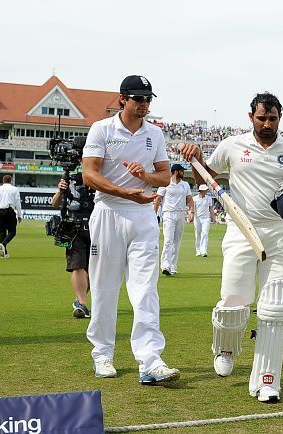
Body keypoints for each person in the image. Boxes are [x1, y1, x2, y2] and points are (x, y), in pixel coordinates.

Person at [180, 92, 283, 403]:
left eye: (272, 119)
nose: (266, 123)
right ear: (251, 117)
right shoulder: (233, 145)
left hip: (277, 232)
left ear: (280, 118)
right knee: (234, 303)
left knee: (275, 307)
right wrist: (194, 157)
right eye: (261, 118)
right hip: (240, 230)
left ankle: (267, 380)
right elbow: (204, 177)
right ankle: (225, 349)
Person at [81, 75, 179, 384]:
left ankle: (150, 361)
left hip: (143, 216)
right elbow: (88, 173)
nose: (144, 105)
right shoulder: (103, 129)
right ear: (123, 99)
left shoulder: (155, 134)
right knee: (104, 287)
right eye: (138, 99)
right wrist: (124, 192)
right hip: (109, 211)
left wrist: (146, 178)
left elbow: (165, 176)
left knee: (145, 290)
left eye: (148, 99)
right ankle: (102, 353)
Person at [51, 174, 95, 318]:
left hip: (98, 227)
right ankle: (82, 304)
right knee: (77, 265)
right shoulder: (71, 180)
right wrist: (60, 191)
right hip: (74, 228)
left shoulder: (102, 177)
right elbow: (55, 203)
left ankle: (79, 299)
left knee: (93, 270)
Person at [153, 163, 193, 275]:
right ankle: (165, 265)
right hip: (168, 214)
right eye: (182, 171)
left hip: (181, 214)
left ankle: (173, 266)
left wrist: (191, 212)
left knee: (177, 241)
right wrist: (153, 214)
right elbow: (158, 199)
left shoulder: (185, 185)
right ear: (176, 171)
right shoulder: (165, 183)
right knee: (168, 240)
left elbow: (190, 199)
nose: (183, 173)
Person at [0, 175, 22, 258]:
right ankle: (3, 244)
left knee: (2, 232)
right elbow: (17, 203)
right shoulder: (14, 189)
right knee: (12, 232)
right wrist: (19, 215)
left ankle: (4, 254)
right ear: (11, 181)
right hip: (9, 210)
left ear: (3, 181)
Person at [193, 184, 216, 257]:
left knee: (205, 234)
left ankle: (204, 251)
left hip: (206, 218)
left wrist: (214, 218)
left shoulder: (209, 198)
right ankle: (198, 250)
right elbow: (193, 209)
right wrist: (191, 215)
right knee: (198, 234)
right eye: (205, 190)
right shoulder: (195, 198)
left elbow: (211, 209)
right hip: (197, 218)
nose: (206, 191)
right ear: (201, 191)